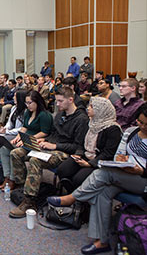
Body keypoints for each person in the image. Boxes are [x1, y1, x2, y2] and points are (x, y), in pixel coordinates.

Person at [47, 103, 147, 255]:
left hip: (142, 179)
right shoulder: (132, 132)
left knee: (105, 172)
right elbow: (119, 154)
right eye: (140, 122)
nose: (143, 126)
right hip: (124, 174)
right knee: (103, 193)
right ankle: (102, 240)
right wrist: (122, 162)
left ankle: (72, 198)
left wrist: (142, 170)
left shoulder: (113, 129)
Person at [9, 87, 89, 218]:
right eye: (56, 101)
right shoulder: (60, 115)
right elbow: (52, 134)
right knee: (16, 153)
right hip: (49, 146)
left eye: (60, 101)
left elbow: (77, 146)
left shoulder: (81, 119)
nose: (57, 104)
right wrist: (42, 140)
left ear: (70, 100)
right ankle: (23, 187)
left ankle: (30, 201)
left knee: (35, 160)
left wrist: (54, 145)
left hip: (63, 152)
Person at [57, 97, 122, 192]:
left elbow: (108, 153)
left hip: (99, 160)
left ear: (100, 110)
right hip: (85, 155)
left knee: (79, 179)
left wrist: (90, 164)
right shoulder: (91, 123)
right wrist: (78, 154)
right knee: (62, 170)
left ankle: (80, 200)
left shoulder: (112, 129)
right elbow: (81, 142)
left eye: (92, 106)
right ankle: (73, 195)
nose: (88, 108)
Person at [4, 90, 53, 190]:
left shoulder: (44, 115)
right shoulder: (28, 112)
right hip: (27, 140)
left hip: (37, 142)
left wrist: (27, 139)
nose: (28, 105)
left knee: (15, 153)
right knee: (4, 148)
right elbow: (24, 127)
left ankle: (19, 181)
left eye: (30, 103)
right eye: (26, 103)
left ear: (37, 102)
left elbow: (45, 132)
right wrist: (19, 136)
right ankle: (8, 177)